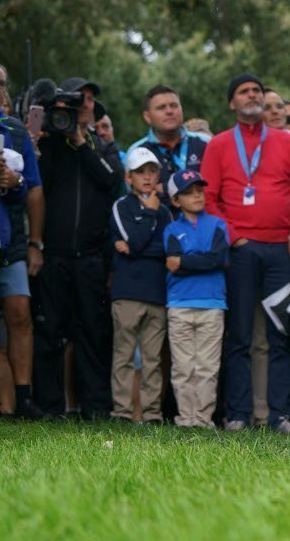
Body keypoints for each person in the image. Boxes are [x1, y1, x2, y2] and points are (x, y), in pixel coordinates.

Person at [199, 73, 290, 433]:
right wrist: (234, 237)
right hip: (241, 250)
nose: (252, 96)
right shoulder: (219, 144)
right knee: (240, 335)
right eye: (244, 92)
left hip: (281, 249)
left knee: (281, 334)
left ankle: (279, 414)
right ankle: (239, 413)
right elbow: (208, 198)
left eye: (257, 91)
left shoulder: (286, 142)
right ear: (232, 103)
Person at [33, 76, 125, 418]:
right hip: (53, 255)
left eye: (89, 99)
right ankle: (48, 406)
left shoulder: (102, 146)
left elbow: (110, 179)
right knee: (48, 331)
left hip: (91, 257)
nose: (85, 104)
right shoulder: (50, 144)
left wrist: (81, 142)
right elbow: (38, 183)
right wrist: (49, 139)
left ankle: (96, 408)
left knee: (92, 333)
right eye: (78, 99)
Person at [0, 57, 44, 419]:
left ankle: (23, 398)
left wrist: (35, 243)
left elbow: (33, 190)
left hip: (10, 239)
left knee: (19, 314)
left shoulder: (15, 130)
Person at [108, 148, 172, 423]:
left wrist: (136, 248)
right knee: (123, 355)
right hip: (127, 293)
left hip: (157, 293)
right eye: (140, 172)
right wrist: (149, 215)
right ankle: (122, 412)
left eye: (152, 171)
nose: (147, 177)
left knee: (152, 358)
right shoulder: (121, 206)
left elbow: (167, 250)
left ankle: (151, 413)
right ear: (129, 177)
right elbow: (134, 241)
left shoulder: (166, 212)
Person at [163, 169, 230, 428]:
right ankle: (186, 419)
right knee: (183, 367)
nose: (197, 196)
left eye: (199, 191)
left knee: (207, 367)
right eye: (189, 193)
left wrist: (185, 261)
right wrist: (201, 260)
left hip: (212, 304)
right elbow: (172, 263)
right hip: (179, 305)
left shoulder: (217, 224)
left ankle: (202, 420)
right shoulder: (171, 229)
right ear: (176, 200)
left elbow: (219, 259)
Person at [128, 85, 209, 189]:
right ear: (147, 116)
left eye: (174, 106)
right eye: (161, 108)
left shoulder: (206, 143)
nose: (169, 111)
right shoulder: (135, 151)